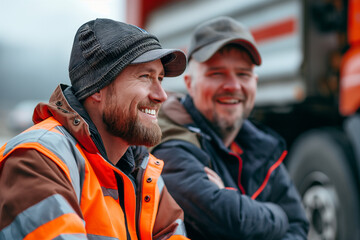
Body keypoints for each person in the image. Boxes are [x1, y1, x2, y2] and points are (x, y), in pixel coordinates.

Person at [0, 18, 189, 240]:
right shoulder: (37, 159)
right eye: (145, 77)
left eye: (160, 78)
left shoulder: (144, 171)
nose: (161, 95)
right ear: (97, 88)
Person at [151, 16, 309, 239]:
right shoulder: (169, 138)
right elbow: (232, 222)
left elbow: (298, 227)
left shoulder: (263, 147)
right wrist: (278, 216)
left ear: (255, 82)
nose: (233, 86)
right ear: (190, 84)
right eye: (217, 73)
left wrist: (232, 200)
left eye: (243, 74)